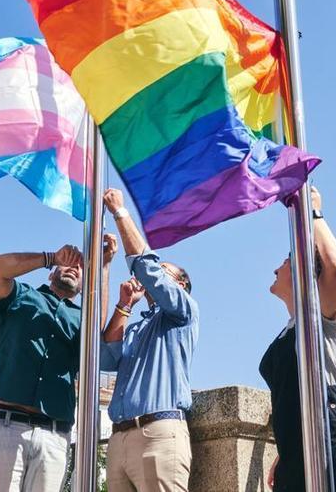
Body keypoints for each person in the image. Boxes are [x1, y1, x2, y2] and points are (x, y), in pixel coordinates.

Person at [0, 236, 117, 491]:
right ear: (52, 274)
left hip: (53, 435)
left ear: (85, 286)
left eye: (82, 268)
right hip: (5, 427)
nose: (75, 267)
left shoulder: (81, 318)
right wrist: (50, 257)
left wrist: (103, 267)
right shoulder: (22, 296)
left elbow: (97, 330)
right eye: (69, 263)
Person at [260, 187, 336, 491]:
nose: (276, 267)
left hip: (332, 455)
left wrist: (313, 212)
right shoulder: (289, 330)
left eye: (286, 261)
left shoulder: (320, 321)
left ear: (304, 271)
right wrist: (286, 453)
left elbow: (334, 268)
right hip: (300, 454)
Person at [100, 188, 199, 492]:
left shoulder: (183, 311)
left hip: (159, 432)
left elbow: (147, 269)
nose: (153, 279)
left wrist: (120, 212)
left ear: (180, 285)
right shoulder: (138, 326)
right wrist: (124, 305)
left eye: (164, 273)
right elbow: (106, 358)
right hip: (120, 438)